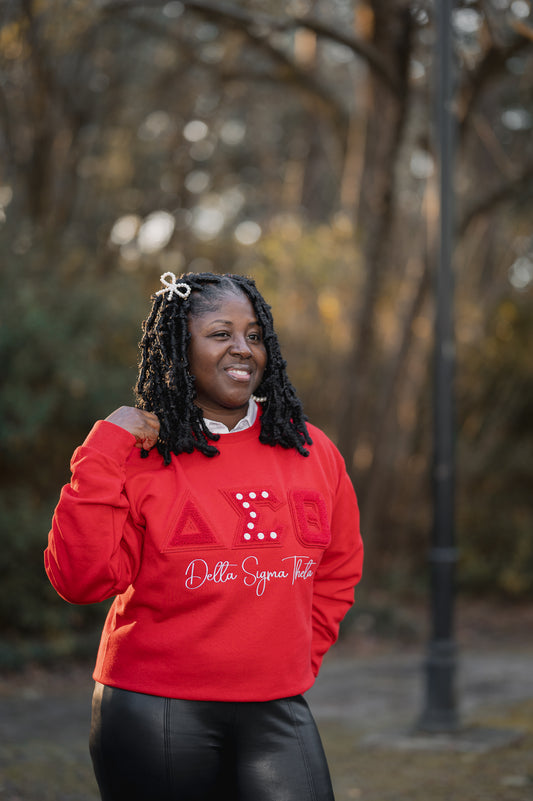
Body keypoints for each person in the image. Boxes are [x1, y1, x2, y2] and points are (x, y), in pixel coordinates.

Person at [45, 270, 363, 801]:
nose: (243, 349)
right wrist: (102, 451)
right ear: (179, 348)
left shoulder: (310, 449)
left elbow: (338, 566)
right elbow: (81, 580)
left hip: (277, 706)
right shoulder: (139, 452)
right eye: (221, 334)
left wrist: (298, 656)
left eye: (254, 335)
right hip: (155, 709)